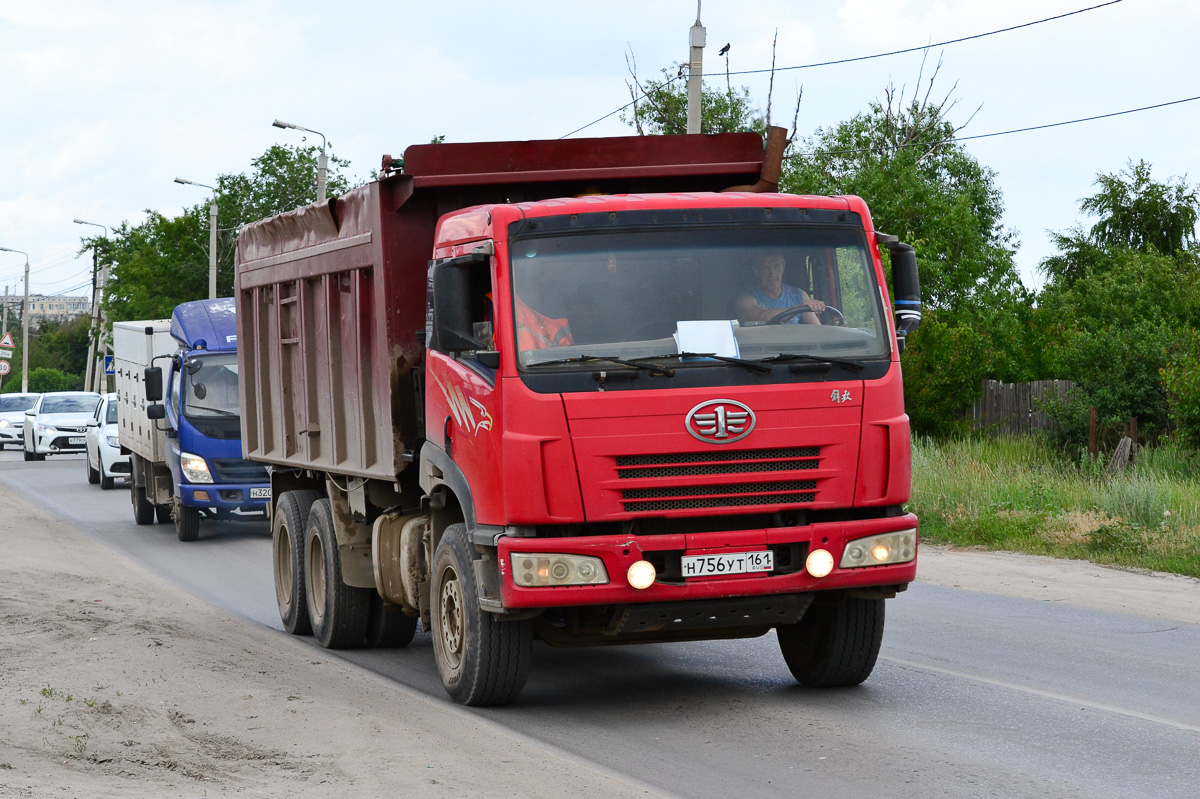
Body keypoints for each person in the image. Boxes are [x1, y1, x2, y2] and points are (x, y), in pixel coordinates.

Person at [734, 252, 824, 325]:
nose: (772, 273)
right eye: (766, 268)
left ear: (783, 268)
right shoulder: (746, 299)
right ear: (756, 271)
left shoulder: (799, 295)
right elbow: (763, 317)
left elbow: (817, 330)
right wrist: (799, 307)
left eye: (776, 267)